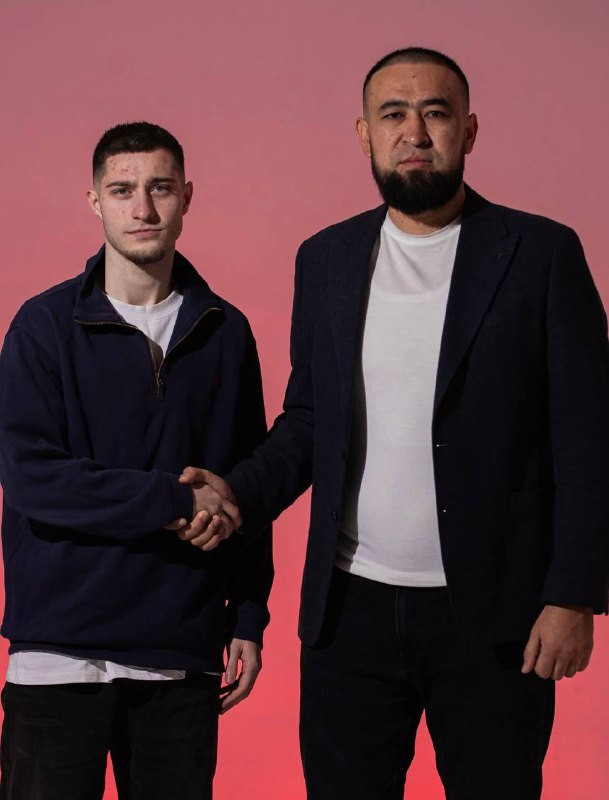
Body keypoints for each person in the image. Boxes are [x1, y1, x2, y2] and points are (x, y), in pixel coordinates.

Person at [180, 47, 609, 799]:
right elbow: (309, 421)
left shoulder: (541, 253)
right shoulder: (326, 258)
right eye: (393, 114)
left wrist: (573, 593)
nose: (415, 131)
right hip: (350, 613)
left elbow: (589, 435)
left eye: (436, 113)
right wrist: (237, 494)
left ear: (468, 131)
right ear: (365, 135)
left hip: (496, 616)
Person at [0, 121, 272, 800]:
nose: (142, 208)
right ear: (95, 201)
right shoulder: (43, 326)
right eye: (122, 190)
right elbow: (31, 477)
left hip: (179, 652)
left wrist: (248, 615)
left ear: (187, 197)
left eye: (160, 188)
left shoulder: (225, 331)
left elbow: (243, 482)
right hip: (58, 654)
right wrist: (174, 501)